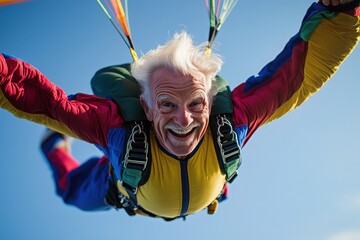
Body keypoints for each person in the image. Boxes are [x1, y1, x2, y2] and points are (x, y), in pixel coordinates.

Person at [1, 0, 359, 220]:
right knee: (70, 190)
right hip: (123, 184)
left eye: (196, 104)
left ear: (209, 101)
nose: (184, 120)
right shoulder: (117, 128)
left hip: (203, 189)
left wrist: (341, 12)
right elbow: (40, 98)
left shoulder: (232, 118)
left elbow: (299, 73)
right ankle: (54, 146)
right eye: (167, 105)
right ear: (145, 106)